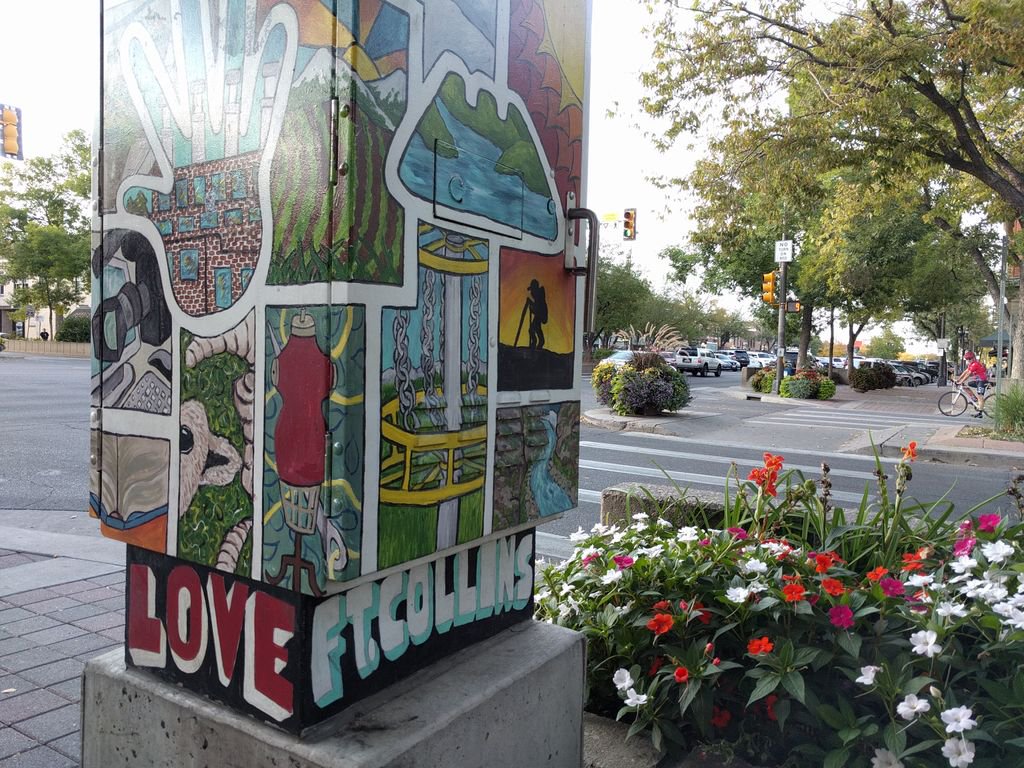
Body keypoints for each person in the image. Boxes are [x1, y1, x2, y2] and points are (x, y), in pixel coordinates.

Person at [954, 350, 988, 417]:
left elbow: (968, 374)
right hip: (977, 381)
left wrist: (961, 381)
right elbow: (965, 372)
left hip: (982, 381)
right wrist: (958, 379)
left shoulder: (975, 364)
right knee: (966, 385)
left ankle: (980, 413)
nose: (968, 360)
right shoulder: (971, 364)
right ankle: (974, 398)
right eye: (967, 359)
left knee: (980, 397)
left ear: (973, 358)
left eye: (969, 358)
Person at [526, 279, 548, 350]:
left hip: (540, 315)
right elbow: (536, 308)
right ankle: (540, 342)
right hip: (539, 315)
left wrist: (532, 307)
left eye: (532, 290)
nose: (531, 292)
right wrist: (532, 308)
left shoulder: (539, 297)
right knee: (537, 328)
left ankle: (535, 342)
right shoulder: (538, 297)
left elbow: (538, 308)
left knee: (531, 329)